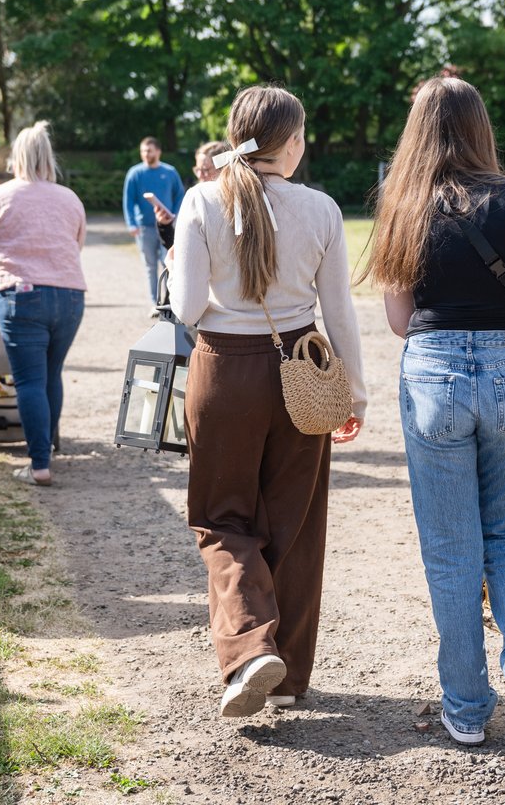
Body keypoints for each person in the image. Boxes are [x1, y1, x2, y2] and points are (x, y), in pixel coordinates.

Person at [360, 76, 505, 746]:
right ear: (481, 126)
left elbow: (399, 320)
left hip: (433, 373)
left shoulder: (401, 204)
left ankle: (466, 707)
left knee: (453, 552)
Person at [169, 85, 366, 718]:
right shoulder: (323, 209)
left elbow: (187, 308)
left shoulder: (202, 198)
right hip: (302, 371)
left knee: (222, 518)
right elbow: (338, 311)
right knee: (297, 526)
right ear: (295, 142)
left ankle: (251, 649)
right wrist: (353, 392)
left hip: (224, 370)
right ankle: (287, 674)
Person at [0, 121, 86, 487]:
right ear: (49, 158)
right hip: (71, 295)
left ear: (15, 157)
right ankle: (48, 448)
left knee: (28, 380)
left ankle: (39, 463)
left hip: (22, 294)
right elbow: (75, 245)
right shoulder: (69, 198)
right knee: (51, 374)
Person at [123, 137, 185, 315]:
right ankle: (155, 302)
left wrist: (174, 216)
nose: (145, 154)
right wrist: (131, 223)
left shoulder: (170, 172)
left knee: (168, 263)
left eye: (149, 150)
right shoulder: (134, 173)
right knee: (150, 266)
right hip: (145, 228)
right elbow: (128, 200)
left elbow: (179, 195)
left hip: (167, 228)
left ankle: (169, 301)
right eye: (143, 151)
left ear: (158, 151)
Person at [154, 140, 229, 250]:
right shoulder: (195, 198)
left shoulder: (234, 202)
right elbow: (180, 247)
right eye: (197, 169)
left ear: (224, 169)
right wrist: (164, 226)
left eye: (205, 170)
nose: (200, 175)